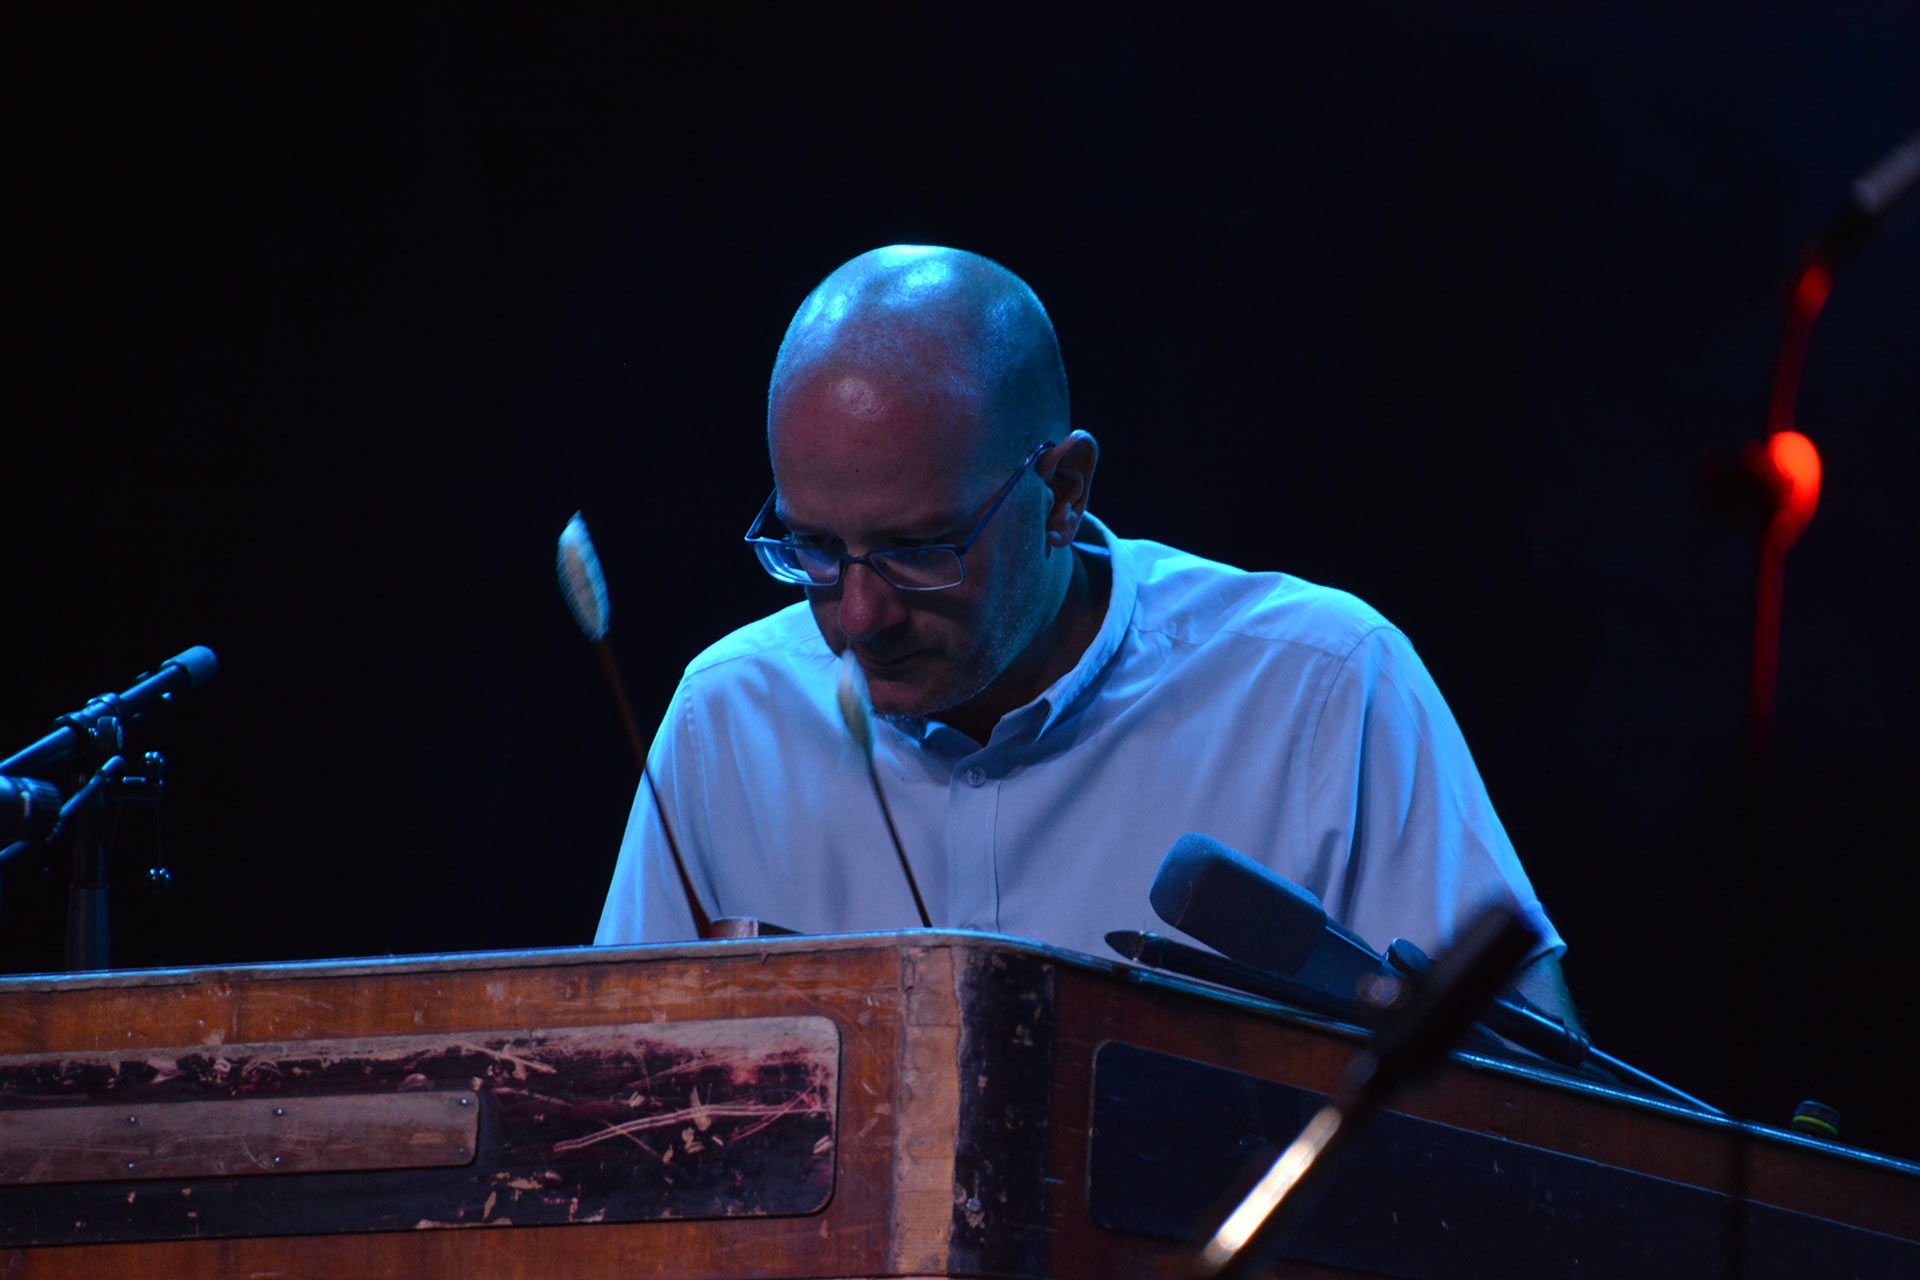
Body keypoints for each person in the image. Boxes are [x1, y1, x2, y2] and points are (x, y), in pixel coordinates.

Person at [595, 244, 1575, 1020]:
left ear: (1062, 491)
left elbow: (1533, 1125)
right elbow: (603, 1112)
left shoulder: (1324, 688)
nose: (856, 617)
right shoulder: (727, 715)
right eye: (812, 548)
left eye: (920, 550)